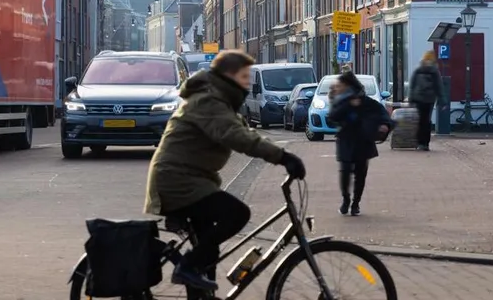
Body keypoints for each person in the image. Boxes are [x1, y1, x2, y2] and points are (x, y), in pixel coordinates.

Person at [143, 50, 306, 292]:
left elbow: (245, 133)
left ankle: (198, 285)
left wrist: (276, 154)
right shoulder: (209, 101)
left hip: (190, 180)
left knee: (209, 248)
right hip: (178, 182)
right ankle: (186, 266)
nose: (248, 83)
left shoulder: (219, 100)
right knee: (237, 214)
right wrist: (282, 157)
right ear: (228, 76)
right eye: (244, 77)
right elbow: (235, 136)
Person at [327, 71, 394, 216]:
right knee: (345, 171)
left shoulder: (366, 101)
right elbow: (332, 116)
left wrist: (385, 125)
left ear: (348, 85)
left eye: (341, 84)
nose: (339, 87)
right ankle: (346, 200)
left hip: (363, 141)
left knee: (360, 174)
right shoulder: (341, 101)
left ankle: (356, 203)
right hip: (345, 140)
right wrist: (349, 105)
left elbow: (383, 115)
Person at [408, 51, 444, 152]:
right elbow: (439, 86)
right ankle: (425, 143)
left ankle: (420, 143)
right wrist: (442, 100)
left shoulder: (418, 69)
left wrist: (410, 99)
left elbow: (412, 85)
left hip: (418, 98)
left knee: (420, 120)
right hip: (429, 99)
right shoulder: (434, 71)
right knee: (426, 120)